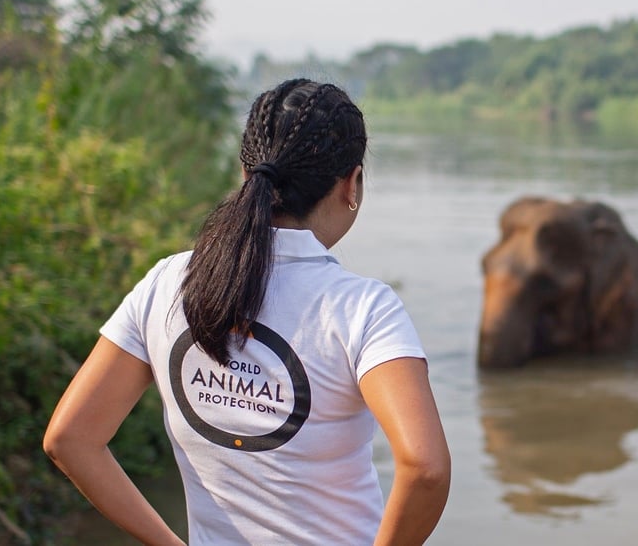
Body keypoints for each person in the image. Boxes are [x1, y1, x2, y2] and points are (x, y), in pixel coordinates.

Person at [44, 79, 450, 545]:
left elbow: (70, 439)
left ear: (245, 172)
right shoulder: (362, 308)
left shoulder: (167, 282)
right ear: (352, 184)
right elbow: (426, 468)